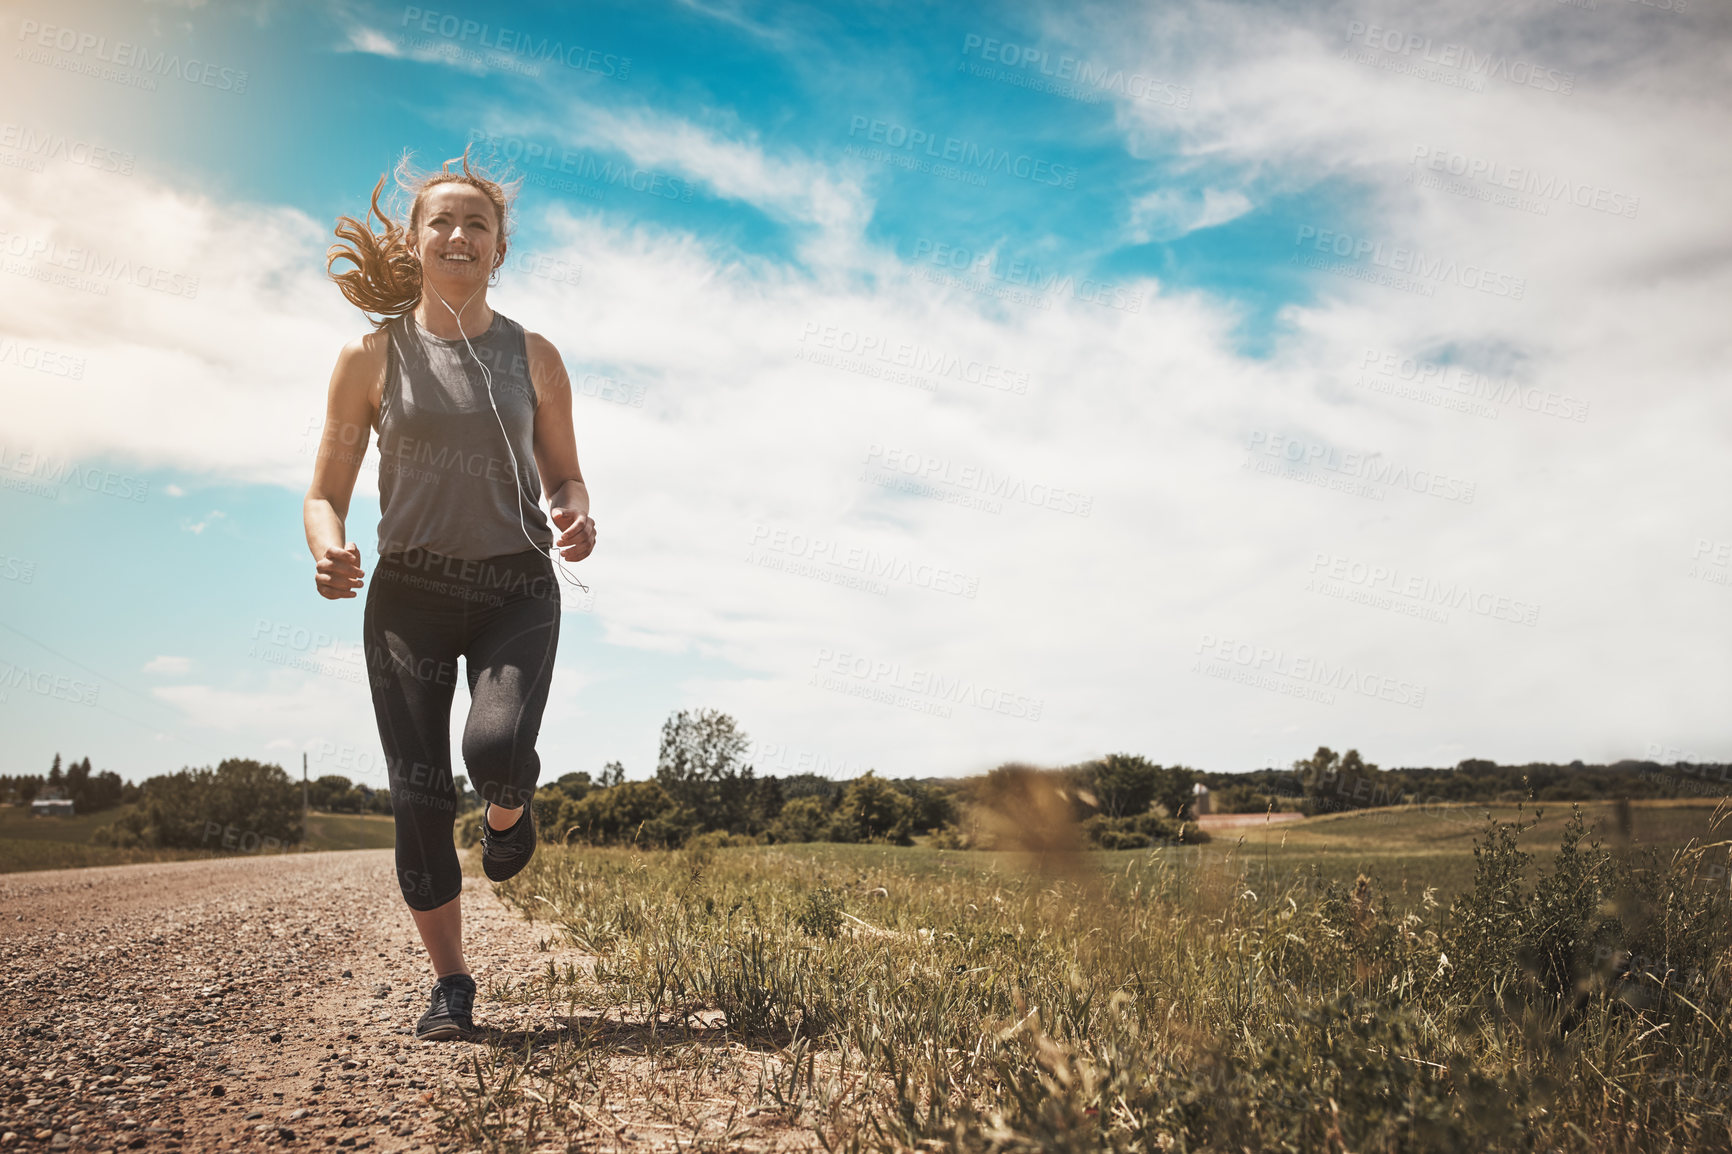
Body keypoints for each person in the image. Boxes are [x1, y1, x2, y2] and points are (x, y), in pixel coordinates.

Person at [303, 149, 596, 1041]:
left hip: (514, 583)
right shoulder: (367, 357)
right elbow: (325, 491)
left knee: (496, 747)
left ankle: (512, 811)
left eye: (478, 223)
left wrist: (576, 514)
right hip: (409, 595)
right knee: (421, 795)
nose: (459, 234)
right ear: (414, 238)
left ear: (498, 249)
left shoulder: (535, 355)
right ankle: (452, 985)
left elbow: (568, 477)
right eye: (443, 220)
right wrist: (329, 550)